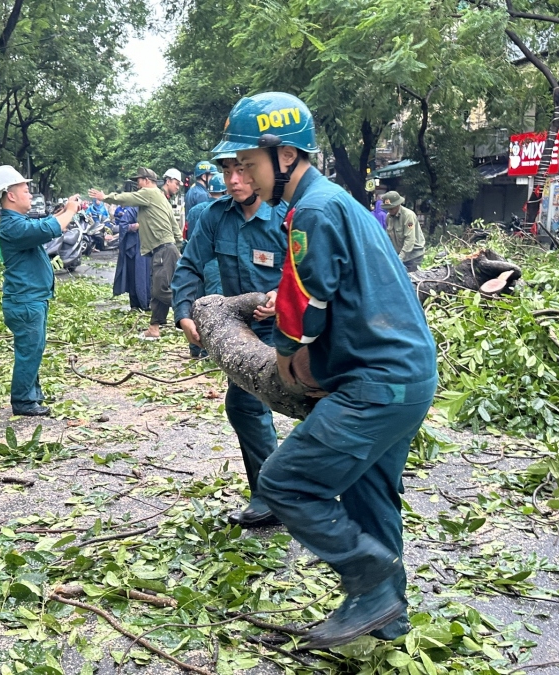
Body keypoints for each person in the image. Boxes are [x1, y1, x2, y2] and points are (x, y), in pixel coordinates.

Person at [224, 92, 437, 648]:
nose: (242, 173)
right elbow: (325, 287)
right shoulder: (332, 202)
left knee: (286, 482)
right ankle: (388, 623)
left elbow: (310, 303)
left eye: (248, 163)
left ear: (286, 155)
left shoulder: (314, 209)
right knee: (369, 498)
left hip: (377, 383)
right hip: (404, 376)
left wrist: (284, 353)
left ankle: (372, 582)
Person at [173, 151, 288, 526]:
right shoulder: (215, 216)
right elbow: (189, 265)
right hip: (238, 330)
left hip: (290, 328)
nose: (234, 180)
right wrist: (184, 314)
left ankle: (282, 494)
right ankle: (273, 495)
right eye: (227, 171)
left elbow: (312, 269)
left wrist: (280, 295)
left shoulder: (287, 214)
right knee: (248, 405)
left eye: (242, 170)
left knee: (255, 405)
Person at [0, 164, 83, 417]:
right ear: (10, 195)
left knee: (34, 349)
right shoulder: (12, 227)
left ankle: (33, 394)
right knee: (29, 351)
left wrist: (64, 211)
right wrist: (70, 212)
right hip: (25, 301)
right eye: (25, 189)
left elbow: (44, 224)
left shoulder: (18, 222)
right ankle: (23, 401)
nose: (30, 194)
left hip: (32, 299)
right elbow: (48, 229)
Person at [90, 168, 181, 340]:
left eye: (138, 181)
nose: (137, 185)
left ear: (146, 180)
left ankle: (189, 312)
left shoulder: (149, 192)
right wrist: (179, 245)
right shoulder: (160, 197)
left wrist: (106, 197)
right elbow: (174, 224)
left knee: (161, 291)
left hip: (163, 249)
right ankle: (154, 328)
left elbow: (127, 198)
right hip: (167, 249)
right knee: (157, 290)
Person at [181, 172, 227, 359]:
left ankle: (195, 347)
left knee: (196, 303)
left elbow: (189, 236)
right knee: (213, 306)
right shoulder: (224, 209)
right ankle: (209, 350)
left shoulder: (195, 210)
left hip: (196, 261)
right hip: (215, 264)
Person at [111, 191, 151, 311]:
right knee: (135, 277)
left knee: (148, 277)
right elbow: (123, 225)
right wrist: (136, 226)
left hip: (148, 248)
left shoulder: (151, 210)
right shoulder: (133, 210)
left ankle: (146, 303)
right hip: (134, 251)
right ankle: (135, 305)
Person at [382, 191, 425, 272]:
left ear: (398, 204)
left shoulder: (408, 215)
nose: (389, 210)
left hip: (413, 256)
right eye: (387, 208)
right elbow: (388, 238)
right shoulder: (388, 217)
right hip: (400, 255)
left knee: (411, 281)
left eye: (391, 208)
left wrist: (399, 258)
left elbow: (410, 239)